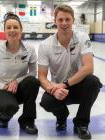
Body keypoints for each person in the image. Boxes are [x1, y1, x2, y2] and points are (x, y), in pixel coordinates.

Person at [38, 5, 102, 139]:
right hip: (58, 90)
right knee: (46, 102)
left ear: (73, 20)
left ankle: (81, 124)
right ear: (54, 21)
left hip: (78, 86)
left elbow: (89, 68)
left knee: (93, 82)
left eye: (68, 19)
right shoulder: (45, 45)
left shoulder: (83, 38)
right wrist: (53, 89)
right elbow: (42, 77)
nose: (64, 23)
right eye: (60, 19)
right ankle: (61, 117)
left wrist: (65, 84)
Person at [0, 12, 40, 135]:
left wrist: (16, 81)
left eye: (15, 27)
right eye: (9, 27)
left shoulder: (30, 49)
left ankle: (27, 121)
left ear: (21, 30)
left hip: (19, 88)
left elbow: (33, 72)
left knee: (33, 82)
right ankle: (2, 117)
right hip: (1, 89)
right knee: (10, 107)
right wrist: (3, 86)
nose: (12, 30)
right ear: (4, 31)